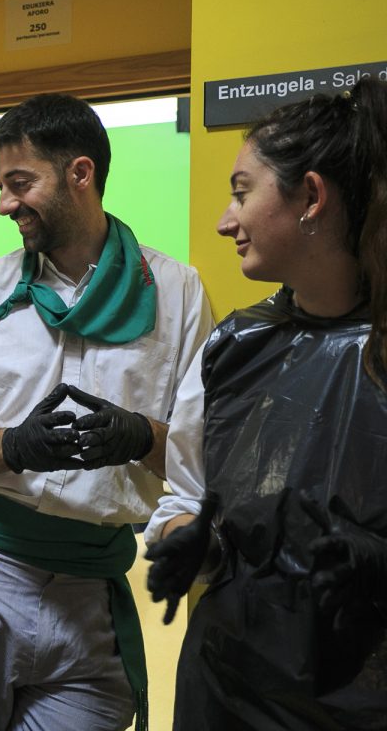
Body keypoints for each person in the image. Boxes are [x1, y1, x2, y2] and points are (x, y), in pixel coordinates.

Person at [0, 93, 213, 731]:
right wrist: (10, 446)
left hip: (91, 582)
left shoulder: (177, 293)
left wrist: (141, 436)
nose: (4, 203)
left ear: (80, 173)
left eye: (20, 183)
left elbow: (204, 454)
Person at [146, 77, 387, 730]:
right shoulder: (231, 350)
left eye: (241, 192)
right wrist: (189, 542)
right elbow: (185, 498)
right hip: (225, 692)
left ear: (310, 197)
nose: (225, 221)